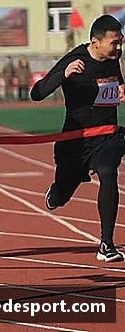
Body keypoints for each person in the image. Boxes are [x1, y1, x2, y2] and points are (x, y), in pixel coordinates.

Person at [31, 15, 125, 262]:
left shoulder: (113, 58)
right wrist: (64, 74)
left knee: (108, 172)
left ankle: (106, 244)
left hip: (105, 136)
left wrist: (121, 89)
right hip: (76, 140)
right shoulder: (75, 59)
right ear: (95, 42)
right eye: (114, 43)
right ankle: (57, 192)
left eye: (121, 42)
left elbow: (115, 83)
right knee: (62, 194)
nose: (119, 48)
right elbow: (36, 93)